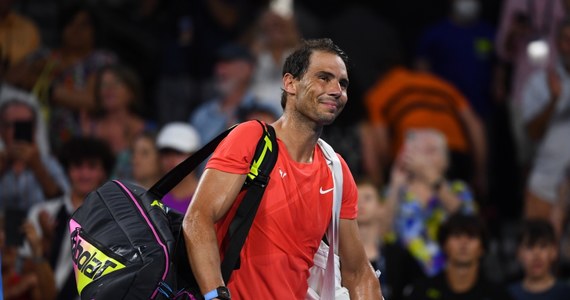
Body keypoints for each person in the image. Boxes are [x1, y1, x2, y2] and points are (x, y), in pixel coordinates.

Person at [182, 38, 382, 299]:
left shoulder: (337, 171)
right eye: (324, 77)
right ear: (290, 83)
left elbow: (358, 274)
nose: (336, 90)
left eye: (342, 83)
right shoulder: (251, 138)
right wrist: (214, 296)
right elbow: (198, 219)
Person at [363, 65, 487, 194]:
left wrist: (388, 173)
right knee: (459, 202)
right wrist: (481, 173)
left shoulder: (378, 93)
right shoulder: (441, 84)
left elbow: (380, 139)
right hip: (455, 154)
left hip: (412, 157)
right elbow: (475, 125)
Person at [26, 136, 115, 300]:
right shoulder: (41, 212)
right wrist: (46, 242)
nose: (84, 173)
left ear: (104, 172)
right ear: (67, 169)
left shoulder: (114, 221)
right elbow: (23, 270)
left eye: (92, 166)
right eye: (78, 165)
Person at [387, 129, 476, 278]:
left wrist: (433, 179)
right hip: (401, 275)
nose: (424, 157)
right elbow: (379, 234)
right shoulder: (396, 191)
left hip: (449, 276)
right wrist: (395, 185)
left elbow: (468, 222)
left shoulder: (458, 190)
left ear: (446, 159)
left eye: (431, 150)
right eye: (418, 150)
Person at [521, 17, 570, 220]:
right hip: (546, 180)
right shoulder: (540, 82)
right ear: (558, 43)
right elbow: (532, 133)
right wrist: (553, 102)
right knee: (538, 248)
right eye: (567, 39)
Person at [415, 0, 496, 121]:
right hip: (444, 109)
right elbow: (421, 67)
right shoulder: (435, 34)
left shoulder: (488, 32)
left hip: (480, 108)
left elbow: (497, 64)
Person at [405, 213, 512, 300]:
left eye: (471, 236)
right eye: (456, 235)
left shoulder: (498, 295)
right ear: (444, 245)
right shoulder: (422, 291)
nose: (463, 243)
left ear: (482, 248)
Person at [189, 43, 277, 146]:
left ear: (247, 69)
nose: (219, 71)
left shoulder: (266, 111)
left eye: (227, 64)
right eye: (217, 65)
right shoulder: (202, 114)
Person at [0, 97, 69, 213]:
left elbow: (64, 203)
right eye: (12, 125)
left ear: (34, 129)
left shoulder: (48, 163)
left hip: (39, 228)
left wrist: (37, 166)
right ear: (1, 130)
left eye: (24, 125)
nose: (18, 131)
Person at [85, 64, 153, 180]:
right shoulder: (89, 129)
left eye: (116, 83)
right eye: (103, 85)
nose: (109, 89)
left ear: (131, 91)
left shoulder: (148, 130)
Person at [508, 219, 570, 300]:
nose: (536, 255)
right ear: (518, 253)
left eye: (543, 246)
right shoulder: (508, 295)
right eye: (529, 247)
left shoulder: (566, 294)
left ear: (554, 251)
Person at [156, 122, 200, 214]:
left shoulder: (208, 198)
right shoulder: (154, 198)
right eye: (166, 153)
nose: (171, 159)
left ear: (195, 157)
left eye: (178, 153)